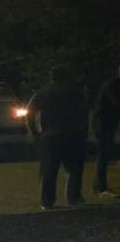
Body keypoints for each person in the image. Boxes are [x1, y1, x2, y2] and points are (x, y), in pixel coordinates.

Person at [26, 66, 89, 210]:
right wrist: (83, 132)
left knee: (49, 169)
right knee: (74, 168)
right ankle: (73, 196)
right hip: (72, 134)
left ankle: (47, 200)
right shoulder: (75, 92)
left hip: (50, 135)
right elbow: (83, 113)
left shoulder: (43, 93)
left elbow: (30, 113)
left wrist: (36, 133)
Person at [91, 60, 120, 198]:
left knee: (105, 153)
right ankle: (101, 187)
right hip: (102, 122)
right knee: (103, 153)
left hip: (107, 121)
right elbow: (117, 103)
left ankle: (99, 185)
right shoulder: (113, 84)